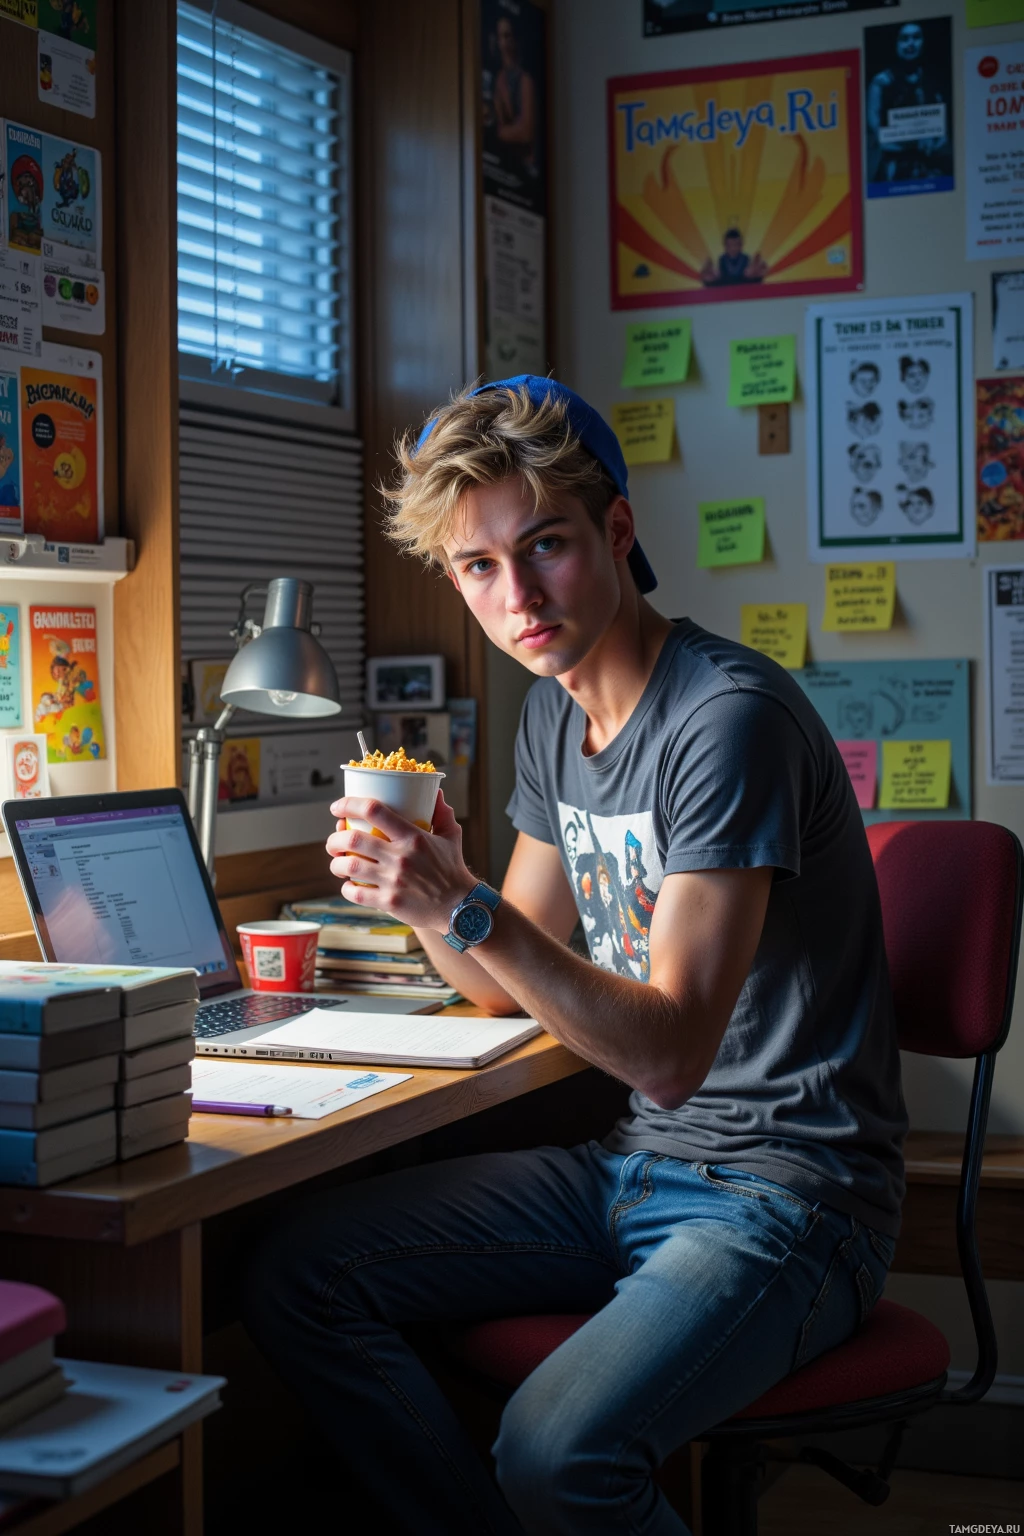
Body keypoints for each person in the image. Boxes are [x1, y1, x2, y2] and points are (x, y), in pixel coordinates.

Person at [242, 377, 906, 1536]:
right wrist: (425, 899)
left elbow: (668, 1055)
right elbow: (505, 976)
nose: (518, 598)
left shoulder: (724, 721)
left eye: (542, 545)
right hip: (633, 1170)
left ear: (615, 531)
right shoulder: (556, 713)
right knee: (297, 1276)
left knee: (557, 1452)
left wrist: (468, 902)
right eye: (478, 568)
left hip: (792, 1199)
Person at [866, 21, 951, 188]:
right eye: (904, 39)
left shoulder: (933, 82)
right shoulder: (881, 83)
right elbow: (879, 136)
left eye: (916, 38)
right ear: (896, 44)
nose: (910, 44)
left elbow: (943, 135)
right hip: (894, 173)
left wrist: (936, 143)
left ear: (924, 42)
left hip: (929, 171)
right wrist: (916, 141)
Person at [699, 227, 766, 287]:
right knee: (710, 277)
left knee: (753, 273)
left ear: (741, 244)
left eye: (736, 245)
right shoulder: (722, 259)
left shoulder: (745, 258)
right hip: (725, 286)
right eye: (730, 245)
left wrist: (754, 270)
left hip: (744, 284)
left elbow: (750, 275)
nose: (733, 248)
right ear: (725, 246)